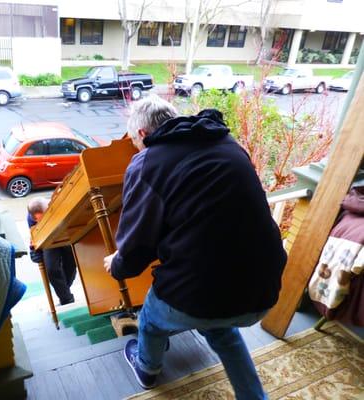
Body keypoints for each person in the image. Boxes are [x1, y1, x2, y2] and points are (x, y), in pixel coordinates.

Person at [103, 95, 287, 399]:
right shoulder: (227, 143)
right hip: (263, 291)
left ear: (143, 135)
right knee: (220, 325)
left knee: (150, 315)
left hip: (203, 295)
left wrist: (117, 265)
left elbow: (136, 249)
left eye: (134, 142)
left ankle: (146, 368)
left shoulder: (147, 162)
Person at [28, 197, 77, 305]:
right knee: (51, 269)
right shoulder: (31, 218)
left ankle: (64, 291)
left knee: (71, 263)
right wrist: (33, 250)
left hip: (65, 235)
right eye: (39, 220)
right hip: (47, 240)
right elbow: (33, 236)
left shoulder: (58, 204)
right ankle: (66, 298)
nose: (43, 221)